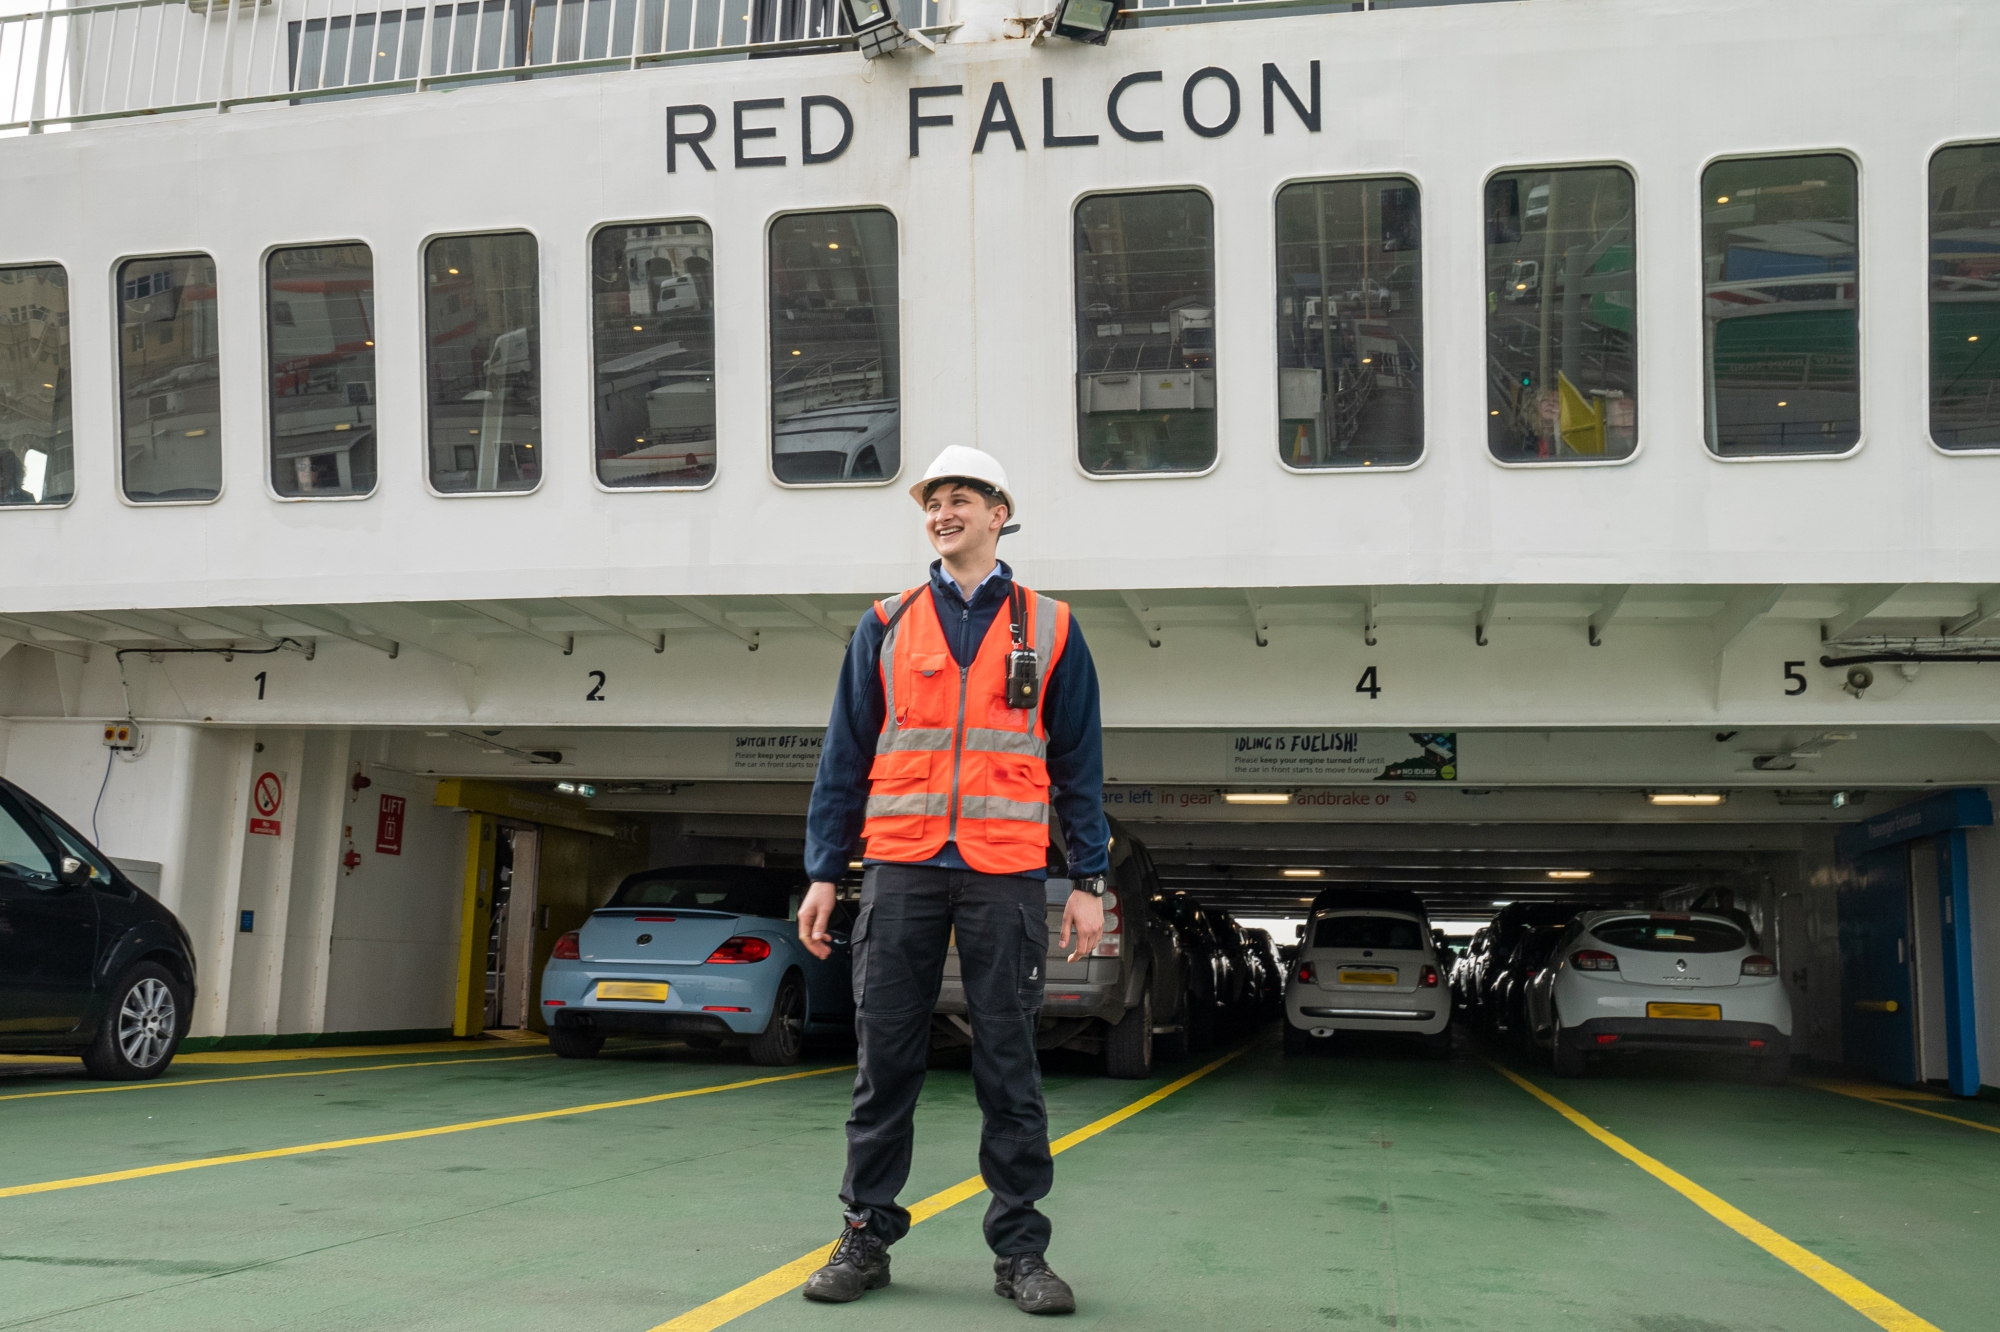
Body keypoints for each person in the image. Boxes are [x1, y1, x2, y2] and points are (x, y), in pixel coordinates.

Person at [796, 444, 1110, 1317]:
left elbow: (1079, 760)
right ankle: (865, 1235)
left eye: (962, 498)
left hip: (1005, 875)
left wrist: (1087, 875)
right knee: (884, 1060)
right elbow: (843, 756)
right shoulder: (887, 622)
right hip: (900, 868)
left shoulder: (1049, 626)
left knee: (1009, 1064)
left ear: (999, 513)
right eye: (933, 501)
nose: (943, 512)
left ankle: (1021, 1253)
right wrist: (825, 872)